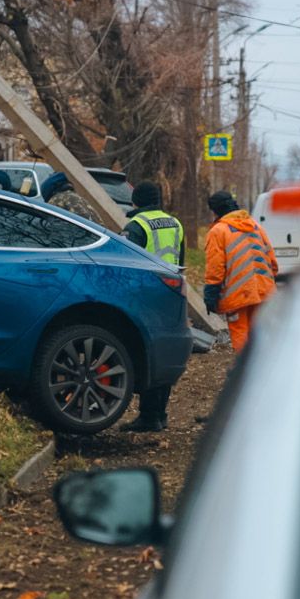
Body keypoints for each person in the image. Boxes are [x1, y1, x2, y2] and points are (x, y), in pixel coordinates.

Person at [120, 181, 184, 432]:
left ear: (135, 201)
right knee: (164, 352)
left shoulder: (136, 226)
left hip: (145, 296)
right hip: (170, 292)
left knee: (146, 353)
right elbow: (180, 260)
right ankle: (159, 414)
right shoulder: (175, 222)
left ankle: (148, 416)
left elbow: (126, 264)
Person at [203, 190, 279, 355]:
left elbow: (215, 267)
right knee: (259, 333)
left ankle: (245, 374)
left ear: (215, 210)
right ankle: (263, 369)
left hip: (238, 295)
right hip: (263, 291)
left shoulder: (218, 232)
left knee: (240, 333)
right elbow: (272, 261)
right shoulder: (255, 226)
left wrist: (211, 293)